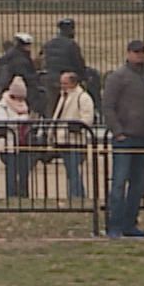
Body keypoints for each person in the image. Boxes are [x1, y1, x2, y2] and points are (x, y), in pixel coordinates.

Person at [101, 39, 144, 238]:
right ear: (128, 53)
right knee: (119, 183)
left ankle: (130, 223)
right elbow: (107, 106)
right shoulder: (118, 76)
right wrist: (117, 131)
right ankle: (114, 225)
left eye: (142, 52)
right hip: (125, 138)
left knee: (138, 185)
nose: (140, 55)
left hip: (143, 137)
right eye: (136, 52)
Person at [49, 70, 95, 201]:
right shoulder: (64, 96)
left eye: (65, 83)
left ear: (73, 83)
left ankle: (76, 195)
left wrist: (76, 126)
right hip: (63, 138)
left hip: (75, 139)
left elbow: (88, 118)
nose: (62, 85)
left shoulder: (83, 97)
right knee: (71, 170)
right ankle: (76, 194)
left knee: (73, 170)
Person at [0, 78, 35, 198]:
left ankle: (23, 193)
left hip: (22, 142)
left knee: (24, 170)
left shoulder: (23, 104)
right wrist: (21, 120)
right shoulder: (2, 105)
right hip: (9, 144)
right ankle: (11, 194)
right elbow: (3, 121)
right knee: (11, 171)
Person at [42, 19, 87, 93]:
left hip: (50, 79)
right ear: (71, 30)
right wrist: (84, 77)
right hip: (68, 81)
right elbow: (79, 64)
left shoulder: (49, 43)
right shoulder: (72, 45)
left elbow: (43, 60)